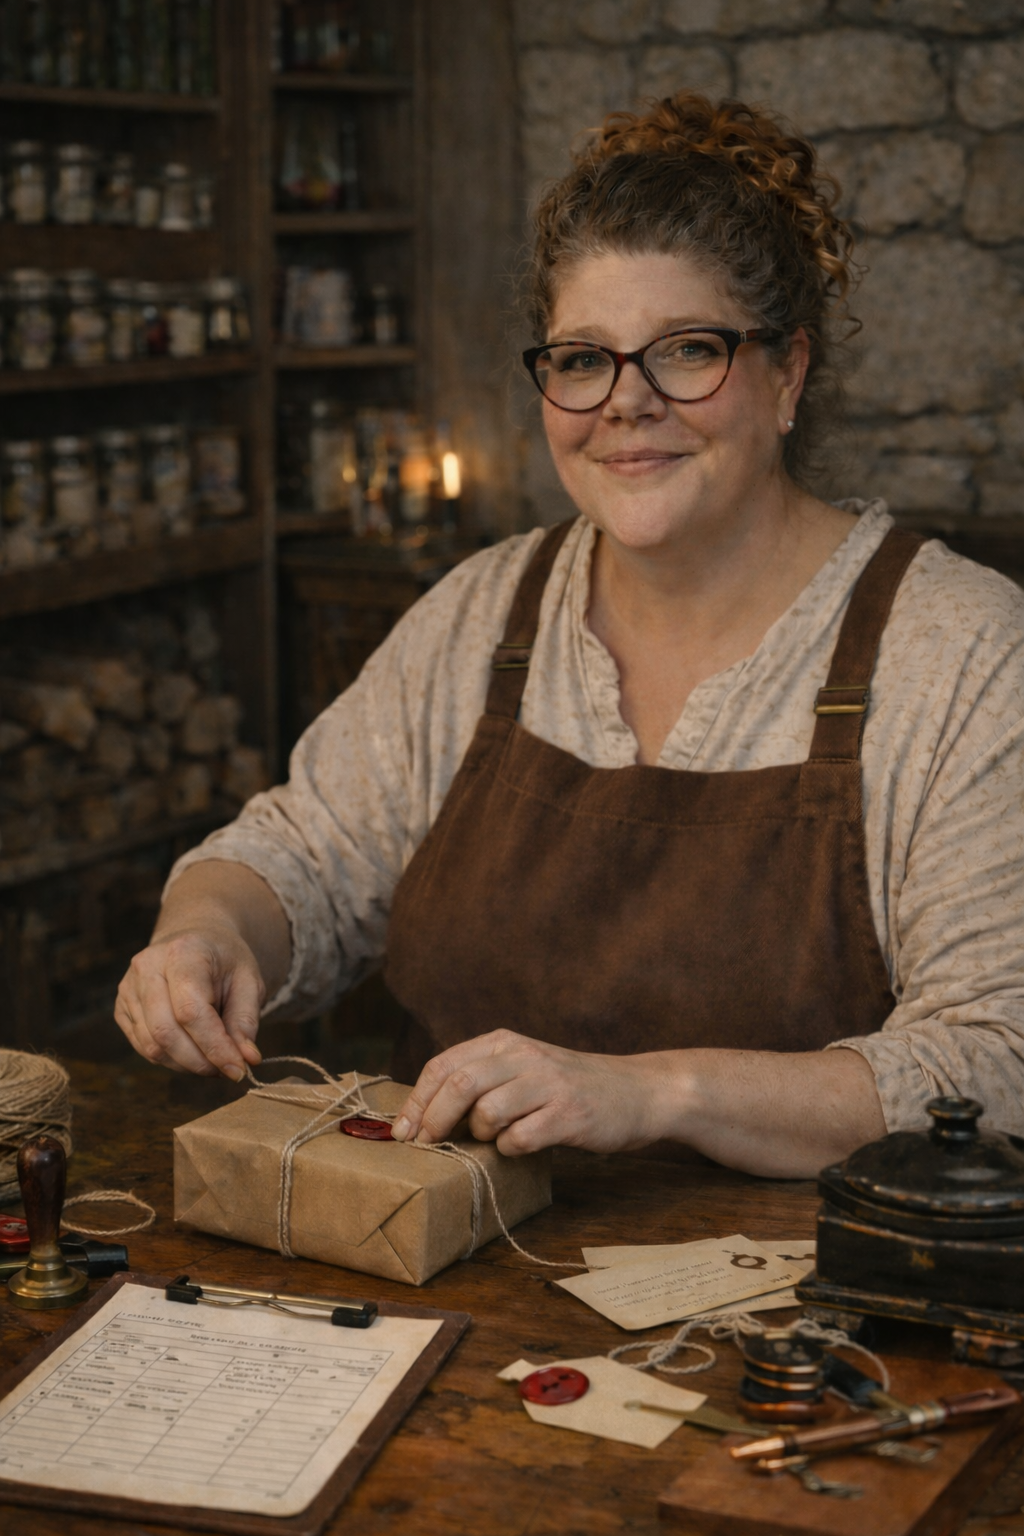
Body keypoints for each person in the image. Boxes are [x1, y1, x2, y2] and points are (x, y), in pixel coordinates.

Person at [115, 92, 1024, 1179]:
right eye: (583, 358)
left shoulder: (959, 650)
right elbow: (302, 852)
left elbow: (998, 1060)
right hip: (465, 1271)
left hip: (815, 1317)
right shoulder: (483, 612)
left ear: (788, 373)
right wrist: (208, 934)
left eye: (686, 351)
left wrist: (653, 1091)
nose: (625, 404)